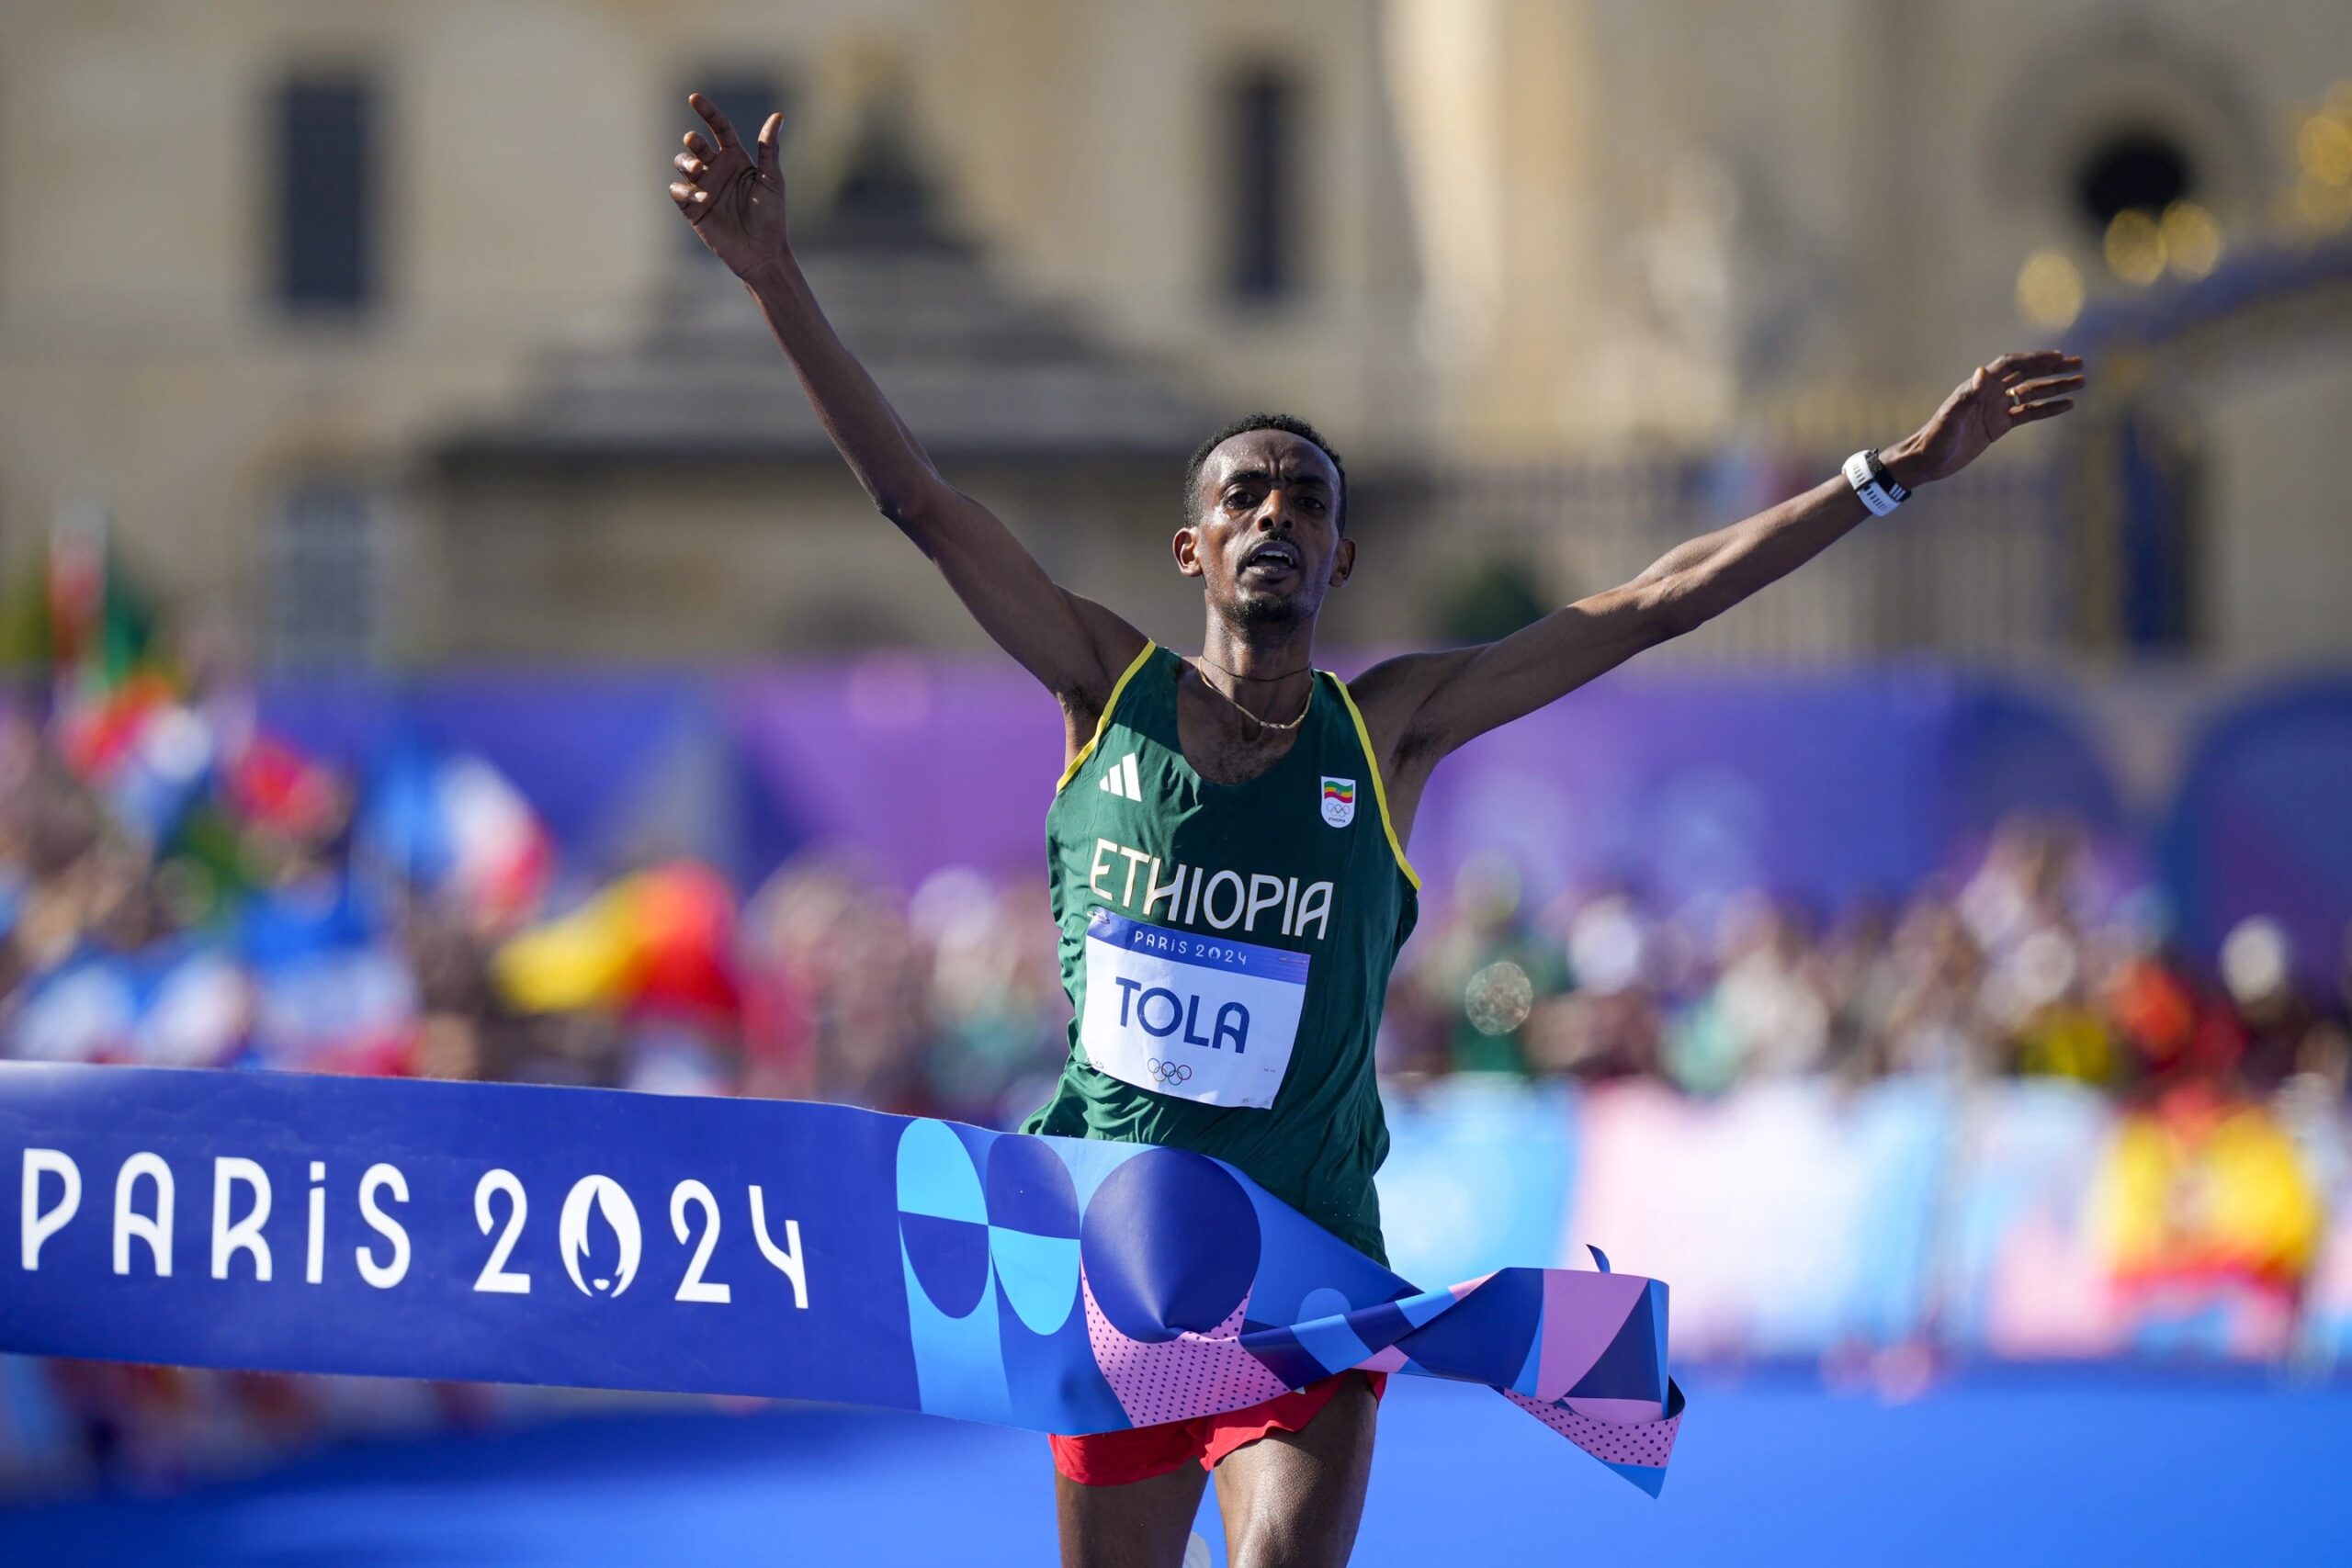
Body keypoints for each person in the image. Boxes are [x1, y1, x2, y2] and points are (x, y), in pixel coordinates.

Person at [666, 92, 2084, 1568]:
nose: (1274, 514)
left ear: (1341, 552)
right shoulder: (1105, 688)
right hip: (1120, 1264)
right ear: (1193, 548)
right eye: (1243, 496)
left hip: (1309, 1275)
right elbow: (918, 500)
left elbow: (1652, 604)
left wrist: (1890, 473)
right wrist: (774, 276)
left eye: (1305, 499)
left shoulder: (1386, 729)